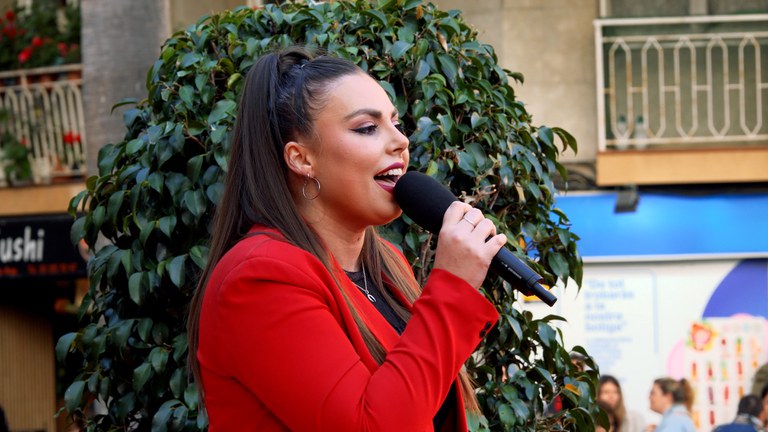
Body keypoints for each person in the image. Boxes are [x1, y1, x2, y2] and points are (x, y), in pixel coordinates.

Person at [186, 47, 507, 431]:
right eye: (367, 128)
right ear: (301, 158)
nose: (400, 141)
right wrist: (452, 287)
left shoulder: (387, 263)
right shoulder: (258, 278)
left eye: (396, 123)